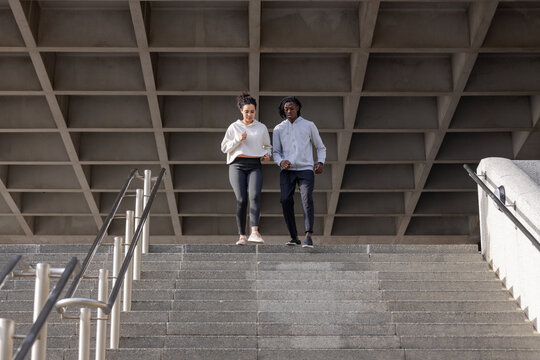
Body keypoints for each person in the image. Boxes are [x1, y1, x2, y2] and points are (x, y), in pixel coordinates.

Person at [272, 96, 326, 248]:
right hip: (287, 171)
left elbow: (320, 147)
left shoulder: (309, 125)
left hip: (305, 170)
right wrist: (281, 161)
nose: (289, 111)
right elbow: (275, 152)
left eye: (292, 108)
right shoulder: (278, 129)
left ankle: (308, 235)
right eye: (286, 109)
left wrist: (320, 162)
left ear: (298, 108)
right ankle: (294, 237)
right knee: (285, 200)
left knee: (306, 198)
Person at [221, 93, 271, 245]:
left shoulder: (261, 127)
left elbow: (267, 146)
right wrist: (238, 139)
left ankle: (254, 232)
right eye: (247, 111)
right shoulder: (234, 127)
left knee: (255, 196)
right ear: (241, 111)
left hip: (255, 165)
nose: (249, 114)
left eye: (252, 111)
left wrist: (267, 154)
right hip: (237, 165)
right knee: (241, 199)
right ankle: (242, 236)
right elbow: (224, 148)